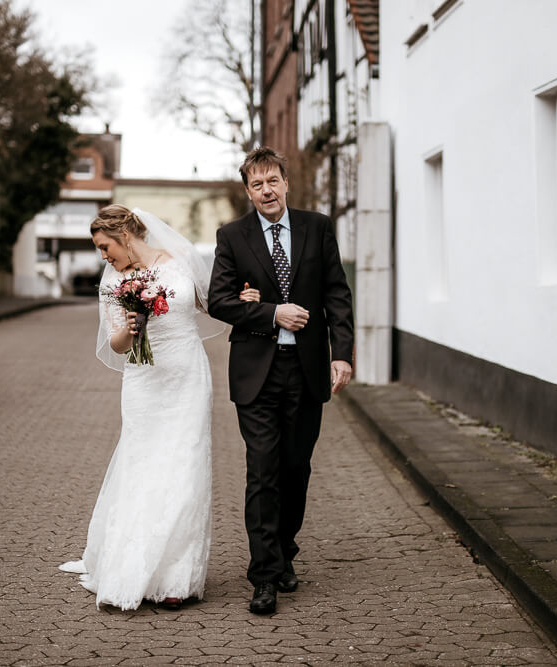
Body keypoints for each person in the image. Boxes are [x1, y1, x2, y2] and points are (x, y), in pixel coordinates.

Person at [208, 146, 354, 614]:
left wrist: (343, 355)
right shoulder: (232, 236)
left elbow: (337, 294)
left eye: (273, 181)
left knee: (296, 470)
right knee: (263, 471)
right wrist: (271, 312)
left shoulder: (318, 227)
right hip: (256, 373)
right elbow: (219, 301)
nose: (266, 191)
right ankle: (265, 575)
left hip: (307, 370)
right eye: (257, 184)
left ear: (285, 183)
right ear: (247, 191)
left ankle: (285, 549)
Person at [59, 205, 222, 610]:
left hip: (187, 378)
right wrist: (130, 330)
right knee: (142, 466)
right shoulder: (113, 279)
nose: (103, 256)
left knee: (184, 468)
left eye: (104, 247)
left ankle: (175, 580)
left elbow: (212, 304)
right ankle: (129, 567)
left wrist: (249, 300)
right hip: (143, 384)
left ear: (125, 236)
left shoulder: (181, 262)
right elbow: (113, 342)